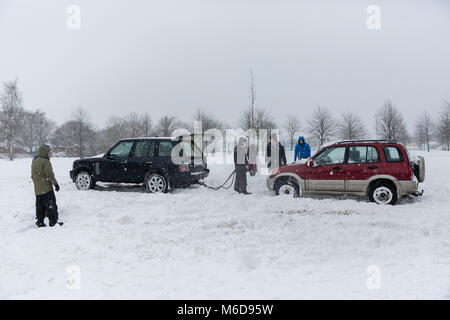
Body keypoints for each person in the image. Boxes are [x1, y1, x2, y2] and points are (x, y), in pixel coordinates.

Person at [31, 145, 60, 227]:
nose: (50, 154)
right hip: (46, 189)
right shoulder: (45, 162)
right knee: (51, 206)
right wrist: (56, 184)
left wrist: (37, 184)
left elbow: (32, 176)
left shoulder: (35, 161)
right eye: (49, 153)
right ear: (45, 152)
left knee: (40, 207)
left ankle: (40, 222)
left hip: (38, 190)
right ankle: (53, 222)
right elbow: (49, 175)